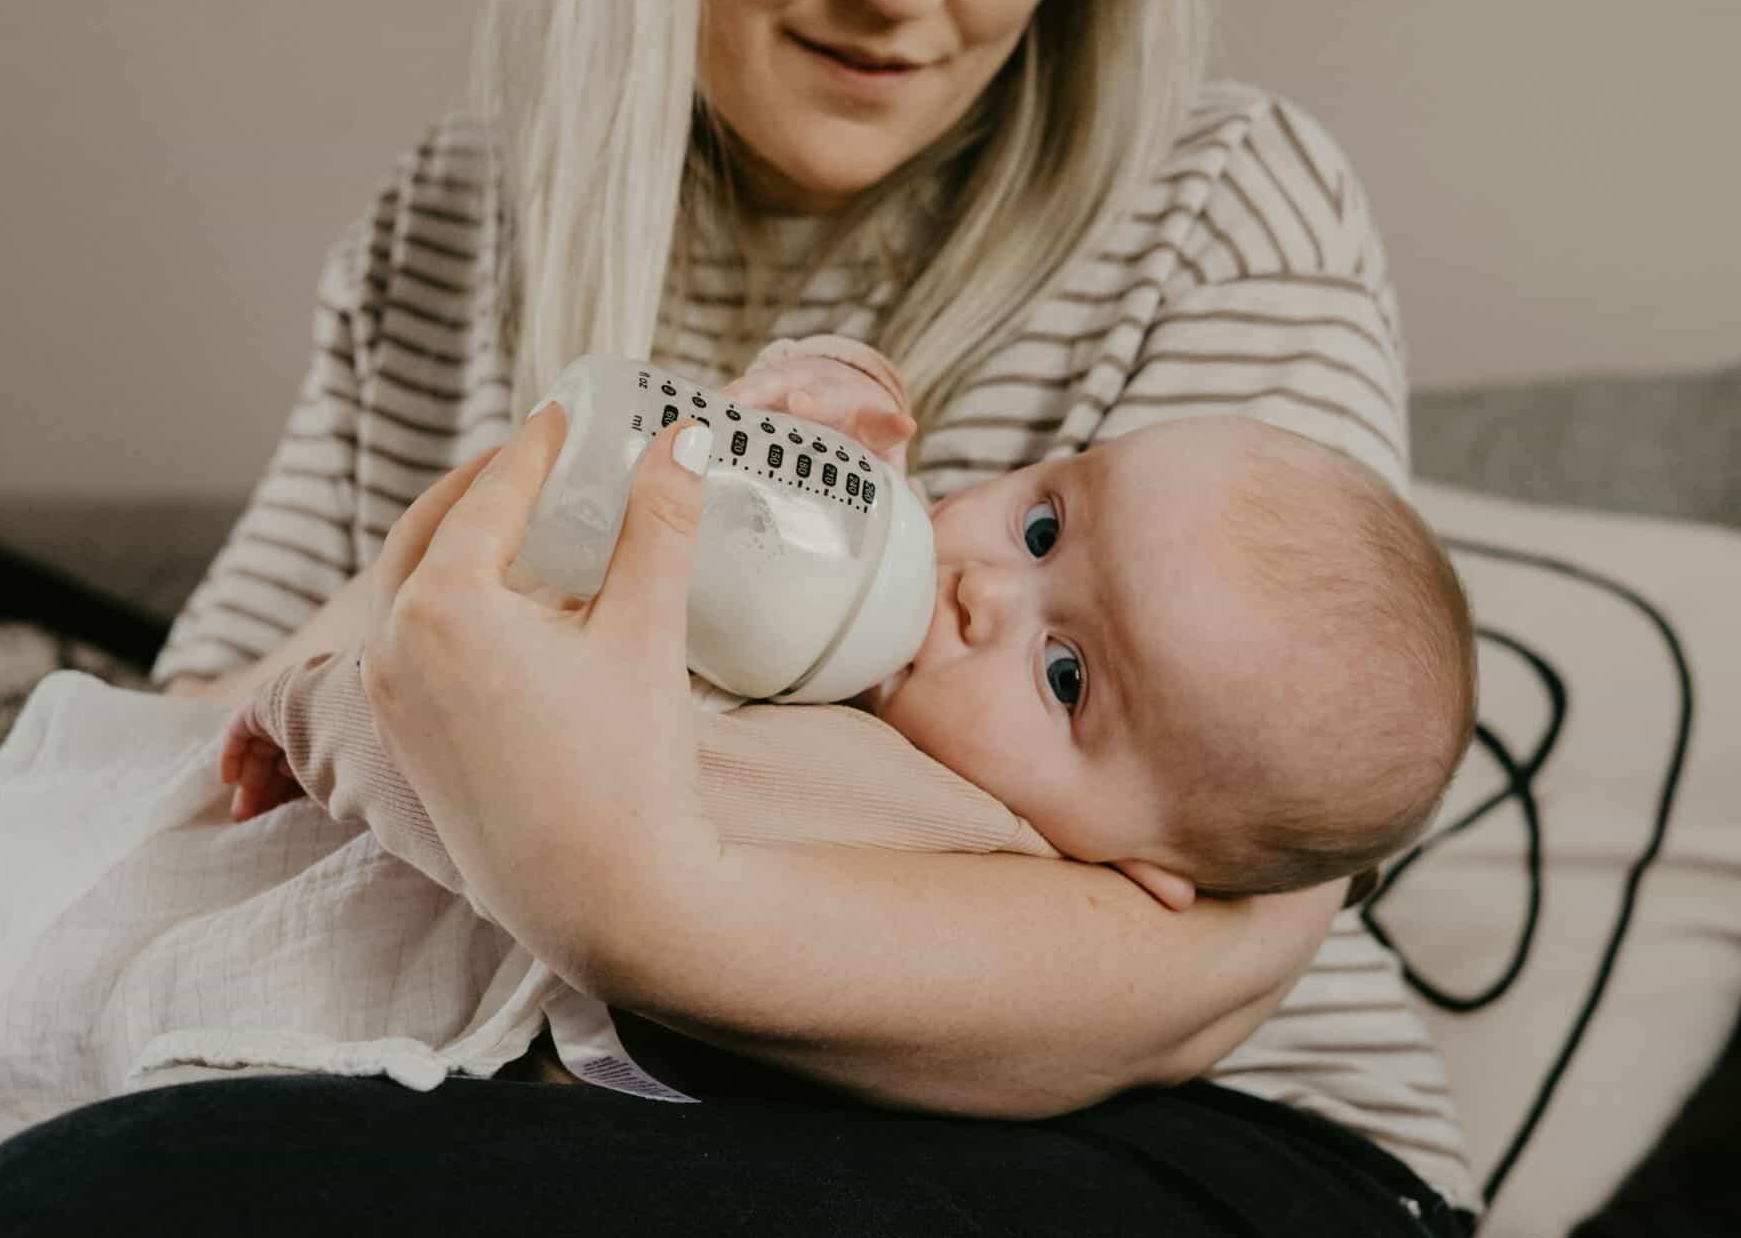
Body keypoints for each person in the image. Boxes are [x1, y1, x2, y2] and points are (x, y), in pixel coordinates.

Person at [0, 0, 1481, 1233]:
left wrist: (622, 883)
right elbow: (197, 754)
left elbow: (1234, 921)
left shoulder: (1221, 199)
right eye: (1032, 524)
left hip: (1160, 1142)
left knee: (113, 1202)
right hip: (592, 1077)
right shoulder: (451, 217)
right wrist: (406, 629)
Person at [225, 334, 1476, 916]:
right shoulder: (879, 657)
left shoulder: (933, 833)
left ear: (1144, 866)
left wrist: (310, 712)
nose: (985, 583)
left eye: (1063, 675)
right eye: (1044, 526)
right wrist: (806, 407)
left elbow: (511, 775)